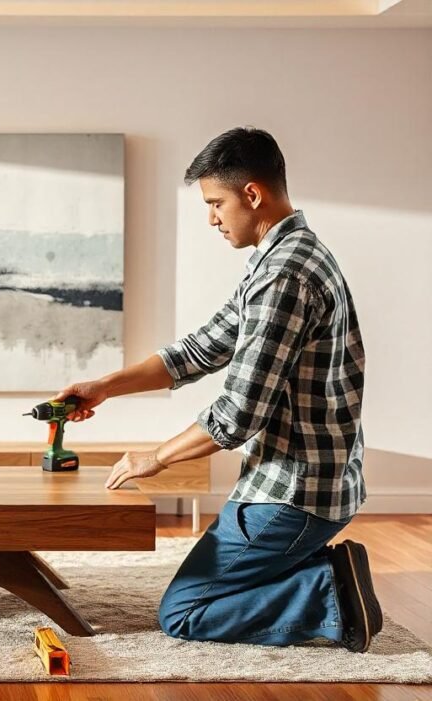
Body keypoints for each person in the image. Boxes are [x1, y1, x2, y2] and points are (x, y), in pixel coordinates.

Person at [54, 126, 382, 652]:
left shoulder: (285, 275)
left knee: (185, 612)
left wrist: (153, 459)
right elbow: (198, 351)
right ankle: (317, 573)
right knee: (208, 587)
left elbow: (238, 415)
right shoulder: (284, 259)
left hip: (292, 495)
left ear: (252, 194)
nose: (211, 218)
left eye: (215, 203)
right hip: (314, 484)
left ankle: (330, 594)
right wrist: (104, 387)